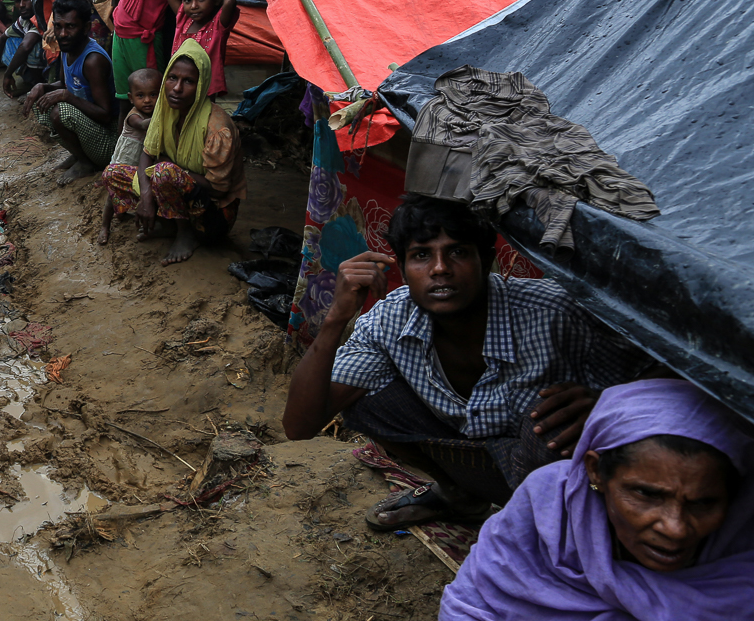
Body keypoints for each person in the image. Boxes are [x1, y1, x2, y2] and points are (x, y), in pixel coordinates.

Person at [281, 194, 657, 530]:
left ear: (487, 260)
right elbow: (299, 426)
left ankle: (568, 535)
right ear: (401, 266)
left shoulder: (554, 311)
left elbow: (674, 372)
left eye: (458, 251)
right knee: (364, 400)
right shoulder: (389, 320)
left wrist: (607, 404)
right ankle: (459, 497)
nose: (440, 268)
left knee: (554, 429)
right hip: (484, 459)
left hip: (559, 475)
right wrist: (335, 320)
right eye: (421, 255)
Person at [441, 379, 754, 620]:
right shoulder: (549, 502)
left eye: (704, 503)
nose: (675, 529)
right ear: (595, 471)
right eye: (646, 494)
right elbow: (472, 602)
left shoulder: (741, 540)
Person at [102, 40, 245, 265]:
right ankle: (169, 224)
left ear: (202, 85)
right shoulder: (165, 111)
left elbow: (219, 189)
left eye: (188, 81)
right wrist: (147, 197)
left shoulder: (218, 129)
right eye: (172, 78)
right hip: (177, 191)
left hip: (212, 216)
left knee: (164, 172)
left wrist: (174, 169)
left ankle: (186, 233)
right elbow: (147, 154)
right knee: (113, 173)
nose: (177, 88)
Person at [22, 0, 116, 186]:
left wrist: (66, 96)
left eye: (70, 27)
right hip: (89, 128)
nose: (62, 34)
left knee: (60, 111)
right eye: (58, 26)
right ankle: (78, 154)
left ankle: (86, 162)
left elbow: (106, 115)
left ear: (85, 28)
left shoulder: (92, 61)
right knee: (42, 103)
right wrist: (43, 86)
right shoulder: (67, 48)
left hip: (107, 143)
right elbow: (67, 85)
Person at [97, 68, 158, 245]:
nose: (147, 100)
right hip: (123, 162)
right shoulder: (134, 116)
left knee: (135, 189)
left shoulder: (151, 112)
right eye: (141, 96)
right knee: (112, 196)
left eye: (153, 95)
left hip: (140, 163)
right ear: (131, 98)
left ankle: (123, 214)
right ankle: (105, 226)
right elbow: (145, 125)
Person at [166, 0, 240, 99]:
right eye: (188, 0)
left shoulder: (218, 26)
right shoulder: (183, 19)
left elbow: (229, 1)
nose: (194, 6)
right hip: (180, 84)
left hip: (206, 88)